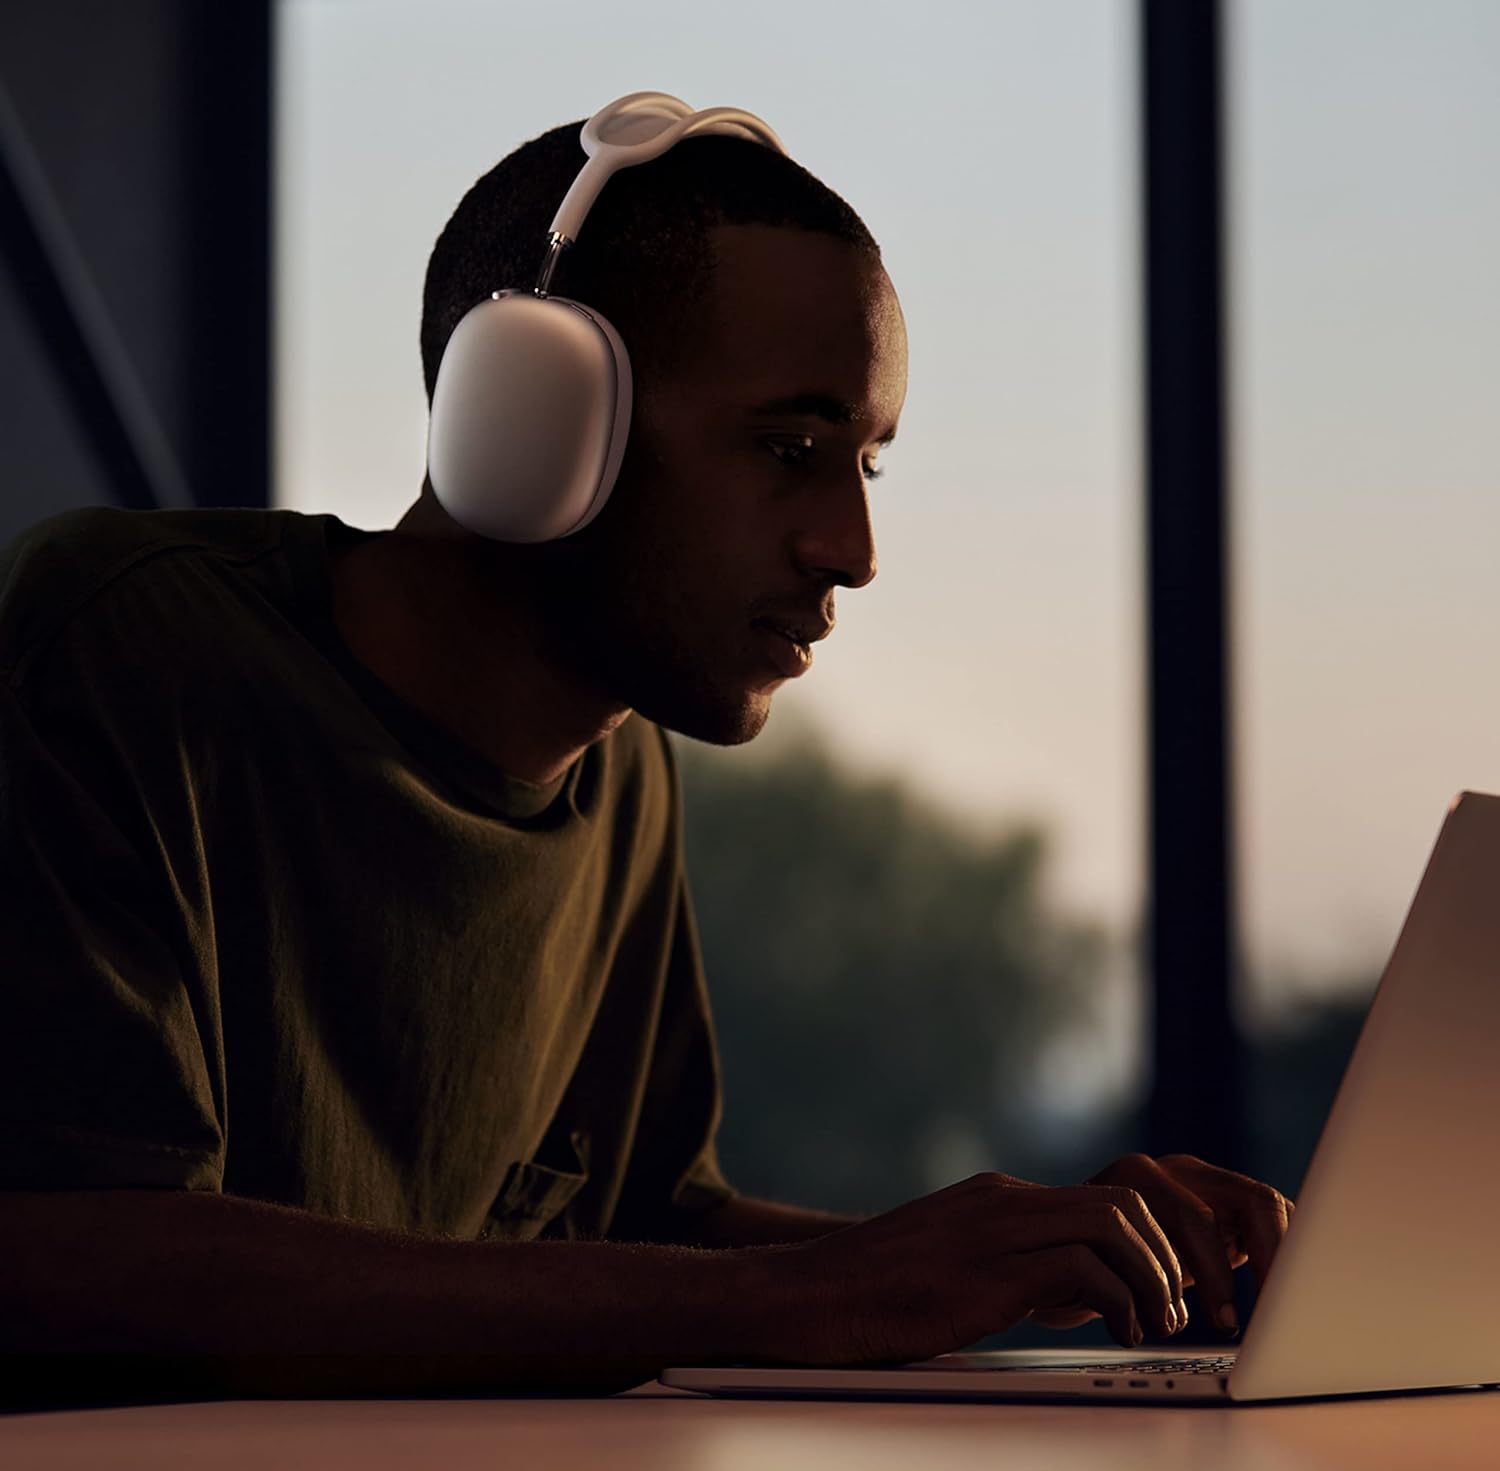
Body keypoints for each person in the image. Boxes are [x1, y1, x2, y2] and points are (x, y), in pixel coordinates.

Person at [0, 110, 1292, 1402]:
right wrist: (819, 1295)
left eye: (866, 467)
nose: (851, 548)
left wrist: (1034, 1262)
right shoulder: (129, 642)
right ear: (534, 413)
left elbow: (646, 1238)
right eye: (789, 452)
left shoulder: (616, 769)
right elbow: (68, 1251)